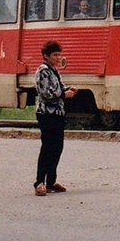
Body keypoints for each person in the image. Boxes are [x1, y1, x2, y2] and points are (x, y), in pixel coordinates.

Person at [34, 40, 77, 196]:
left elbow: (56, 88)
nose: (58, 57)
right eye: (55, 55)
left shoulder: (54, 71)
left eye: (59, 54)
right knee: (47, 148)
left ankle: (51, 181)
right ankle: (39, 182)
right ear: (46, 56)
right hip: (47, 114)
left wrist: (68, 89)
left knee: (57, 148)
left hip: (58, 114)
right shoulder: (43, 71)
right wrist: (64, 94)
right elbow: (46, 93)